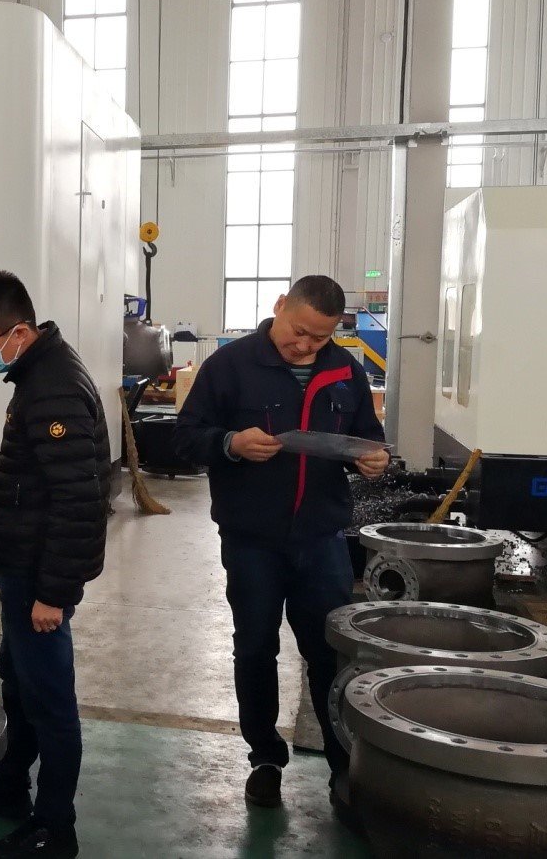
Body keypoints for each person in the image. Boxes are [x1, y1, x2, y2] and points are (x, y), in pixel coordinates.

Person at [171, 274, 388, 818]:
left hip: (321, 540)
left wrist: (373, 459)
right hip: (252, 540)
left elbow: (368, 437)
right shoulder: (230, 365)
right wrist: (230, 443)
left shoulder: (345, 371)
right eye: (299, 332)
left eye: (320, 337)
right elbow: (184, 436)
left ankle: (344, 766)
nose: (305, 345)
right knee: (254, 648)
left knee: (330, 654)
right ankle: (265, 759)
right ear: (280, 306)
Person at [0, 271, 110, 859]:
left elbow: (78, 499)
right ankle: (11, 787)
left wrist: (54, 593)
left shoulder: (52, 389)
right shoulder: (38, 374)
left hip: (40, 576)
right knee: (19, 685)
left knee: (49, 702)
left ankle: (54, 828)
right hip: (25, 566)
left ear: (18, 332)